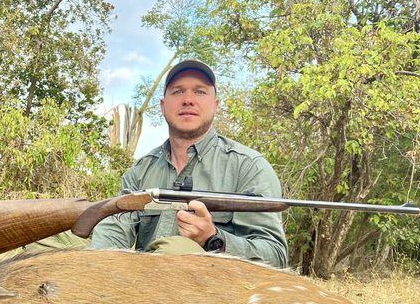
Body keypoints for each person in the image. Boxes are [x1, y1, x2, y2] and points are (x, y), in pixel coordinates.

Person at [89, 59, 288, 268]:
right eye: (177, 91)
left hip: (210, 294)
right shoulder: (140, 170)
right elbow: (114, 232)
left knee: (175, 251)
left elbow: (275, 256)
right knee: (60, 240)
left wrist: (213, 238)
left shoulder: (249, 167)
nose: (188, 100)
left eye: (200, 92)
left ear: (216, 105)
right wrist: (98, 265)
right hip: (143, 287)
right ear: (163, 106)